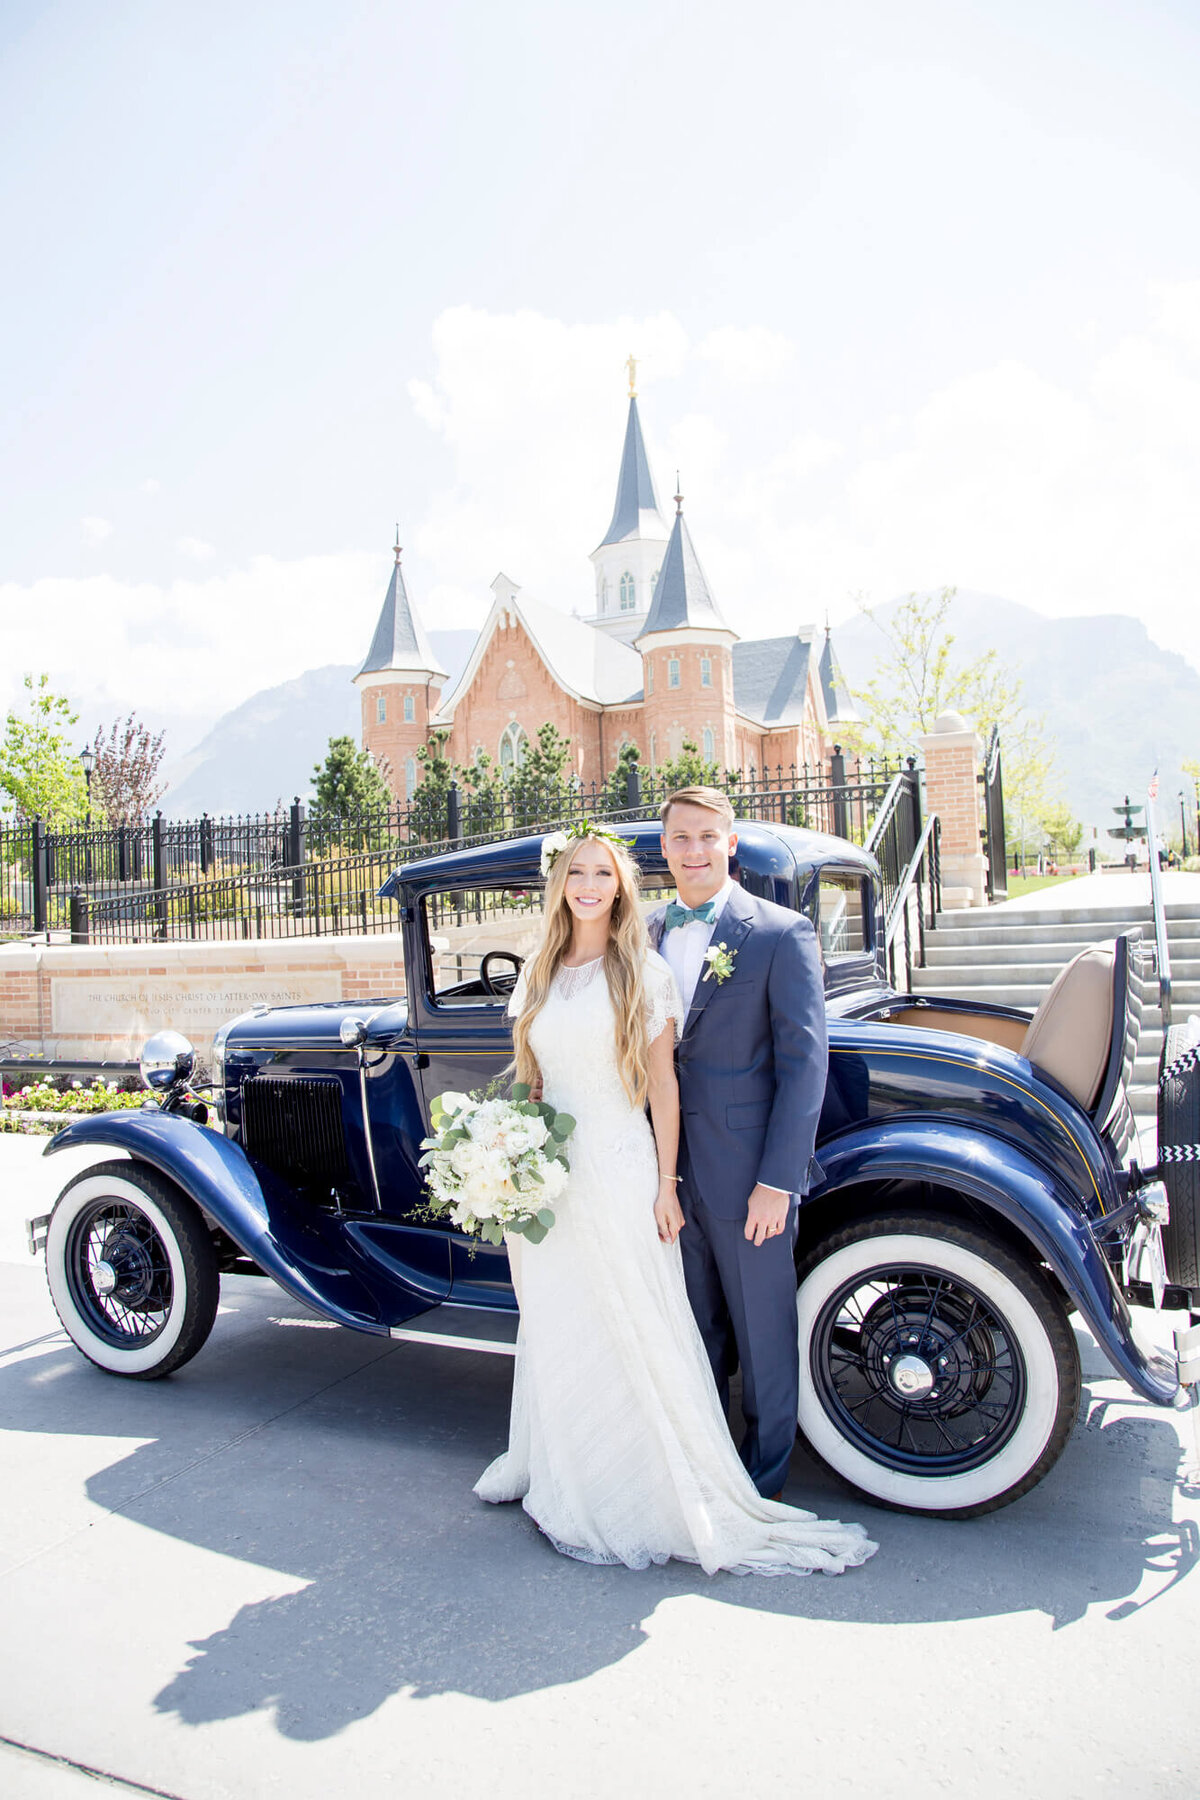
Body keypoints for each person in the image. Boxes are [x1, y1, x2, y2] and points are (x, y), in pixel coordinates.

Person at [474, 821, 876, 1577]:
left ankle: (713, 1476)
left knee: (656, 1321)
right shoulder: (554, 966)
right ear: (558, 883)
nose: (589, 886)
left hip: (636, 1162)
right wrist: (505, 1150)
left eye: (603, 874)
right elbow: (530, 1074)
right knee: (568, 1318)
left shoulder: (645, 962)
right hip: (554, 1171)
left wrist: (677, 1183)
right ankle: (557, 1459)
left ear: (622, 884)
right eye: (576, 874)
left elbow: (679, 1078)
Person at [650, 787, 828, 1501]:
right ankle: (704, 1465)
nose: (693, 850)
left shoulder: (781, 933)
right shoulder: (648, 929)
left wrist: (778, 1182)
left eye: (707, 836)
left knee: (761, 1331)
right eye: (680, 838)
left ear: (731, 843)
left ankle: (763, 1479)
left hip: (747, 1172)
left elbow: (804, 1062)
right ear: (663, 849)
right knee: (691, 1328)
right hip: (664, 1171)